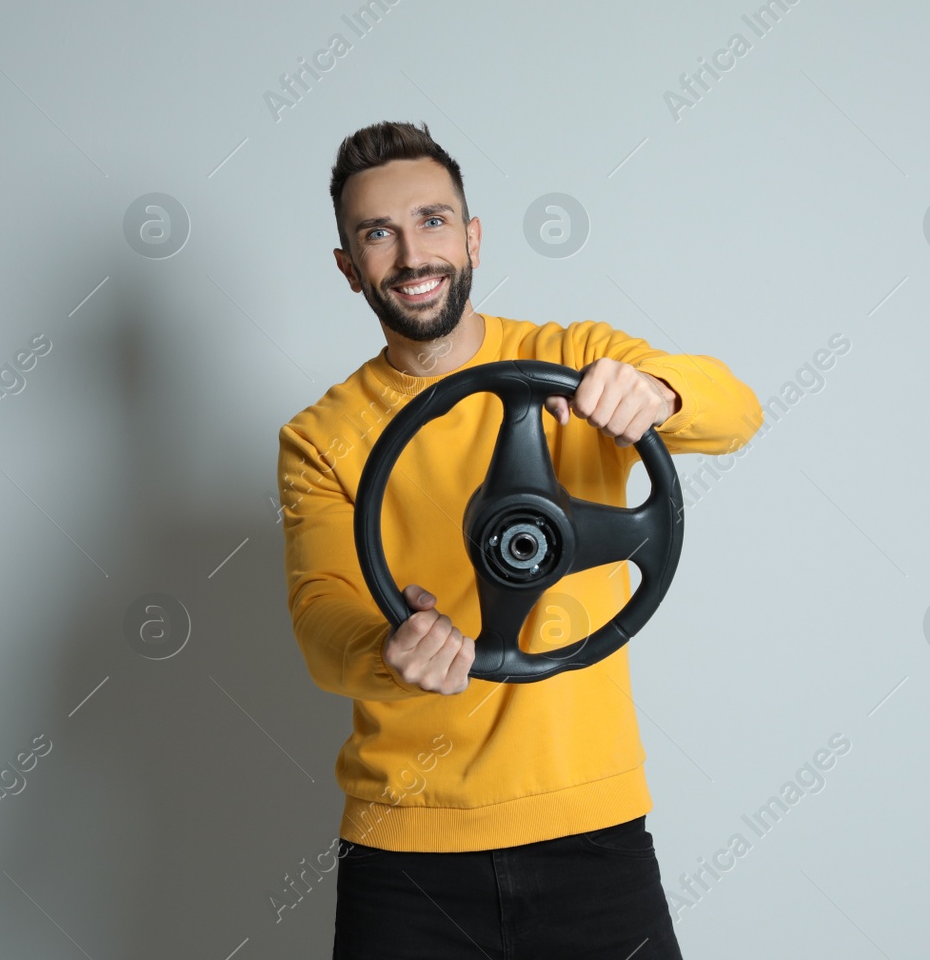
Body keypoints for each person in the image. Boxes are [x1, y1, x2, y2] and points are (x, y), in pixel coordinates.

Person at [276, 120, 763, 959]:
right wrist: (389, 650)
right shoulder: (320, 436)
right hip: (405, 857)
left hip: (592, 831)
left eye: (432, 221)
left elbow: (737, 409)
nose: (412, 254)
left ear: (471, 237)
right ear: (348, 267)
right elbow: (323, 622)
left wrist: (656, 391)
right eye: (377, 234)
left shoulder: (571, 360)